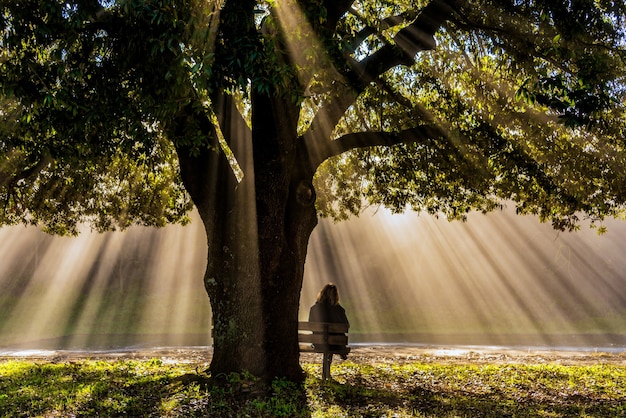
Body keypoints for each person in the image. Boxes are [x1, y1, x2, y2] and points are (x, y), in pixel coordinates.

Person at [308, 283, 350, 373]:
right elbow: (346, 326)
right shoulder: (339, 309)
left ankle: (326, 371)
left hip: (318, 342)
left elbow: (310, 326)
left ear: (322, 293)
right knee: (334, 338)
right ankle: (341, 351)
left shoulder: (314, 308)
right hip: (335, 343)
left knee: (327, 338)